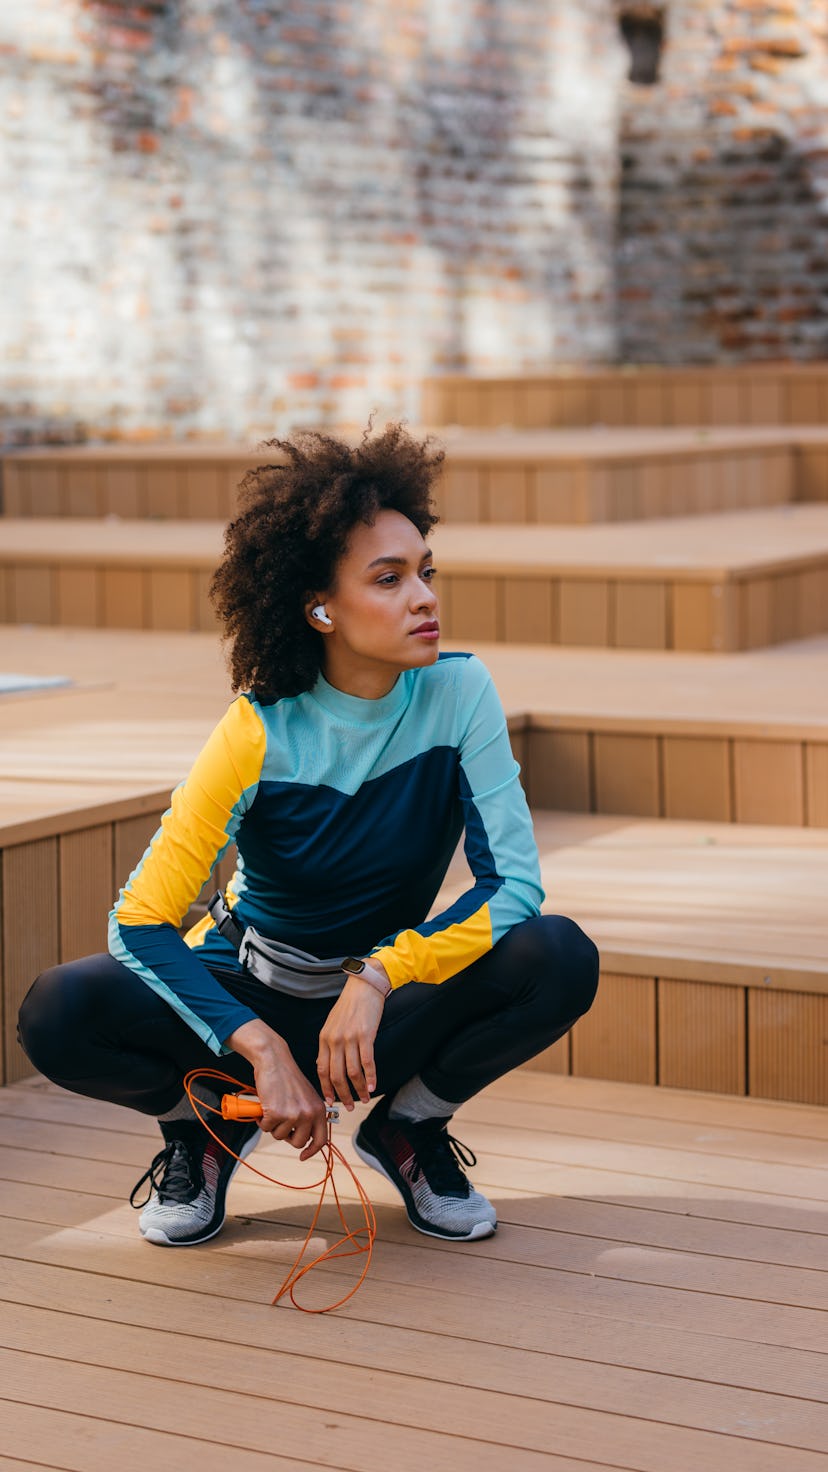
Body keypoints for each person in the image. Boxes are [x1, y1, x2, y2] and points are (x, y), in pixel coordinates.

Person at [18, 423, 599, 1248]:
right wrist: (252, 1044)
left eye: (426, 572)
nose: (425, 597)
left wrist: (378, 975)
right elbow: (138, 920)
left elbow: (515, 887)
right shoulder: (256, 731)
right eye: (389, 579)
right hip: (253, 987)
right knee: (60, 1008)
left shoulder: (460, 693)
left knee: (558, 954)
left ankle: (408, 1130)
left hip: (379, 1011)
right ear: (321, 607)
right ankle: (207, 1128)